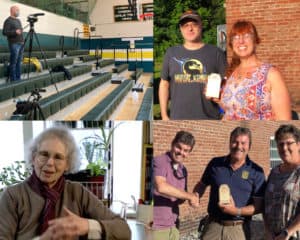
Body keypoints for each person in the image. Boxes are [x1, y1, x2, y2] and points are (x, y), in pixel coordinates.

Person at [0, 126, 131, 240]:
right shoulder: (12, 196)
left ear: (67, 164)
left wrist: (87, 225)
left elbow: (124, 230)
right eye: (44, 154)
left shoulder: (77, 192)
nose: (50, 163)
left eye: (58, 157)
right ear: (34, 158)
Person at [194, 127, 266, 240]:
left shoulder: (256, 171)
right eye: (235, 142)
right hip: (213, 226)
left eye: (243, 143)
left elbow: (259, 206)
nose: (238, 146)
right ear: (229, 143)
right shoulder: (215, 164)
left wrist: (235, 210)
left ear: (249, 146)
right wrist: (196, 195)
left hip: (237, 229)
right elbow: (202, 185)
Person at [158, 9, 227, 120]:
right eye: (185, 25)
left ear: (201, 25)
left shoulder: (216, 53)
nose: (190, 28)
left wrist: (225, 112)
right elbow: (164, 84)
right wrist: (164, 115)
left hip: (209, 118)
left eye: (194, 24)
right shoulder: (171, 53)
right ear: (181, 29)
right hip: (177, 118)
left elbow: (227, 86)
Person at [219, 20, 291, 120]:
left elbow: (284, 120)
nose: (241, 41)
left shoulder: (271, 74)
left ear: (256, 40)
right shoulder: (232, 74)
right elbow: (231, 110)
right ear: (231, 44)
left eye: (247, 36)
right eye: (235, 37)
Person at [153, 130, 199, 240]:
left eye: (186, 150)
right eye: (179, 147)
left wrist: (193, 198)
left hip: (173, 225)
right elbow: (161, 187)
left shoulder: (183, 170)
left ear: (189, 153)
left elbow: (180, 198)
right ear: (172, 144)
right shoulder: (160, 161)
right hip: (157, 227)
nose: (181, 152)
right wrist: (189, 196)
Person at [264, 124, 300, 240]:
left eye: (289, 143)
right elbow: (266, 205)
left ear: (298, 145)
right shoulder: (274, 173)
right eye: (280, 144)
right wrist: (268, 231)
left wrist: (287, 233)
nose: (284, 148)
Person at [2, 5, 24, 81]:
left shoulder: (18, 20)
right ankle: (13, 80)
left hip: (21, 44)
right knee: (13, 63)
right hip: (14, 44)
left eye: (18, 10)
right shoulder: (8, 20)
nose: (18, 12)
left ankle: (18, 79)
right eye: (17, 10)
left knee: (19, 63)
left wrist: (20, 31)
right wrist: (15, 32)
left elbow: (20, 31)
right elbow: (4, 32)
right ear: (12, 10)